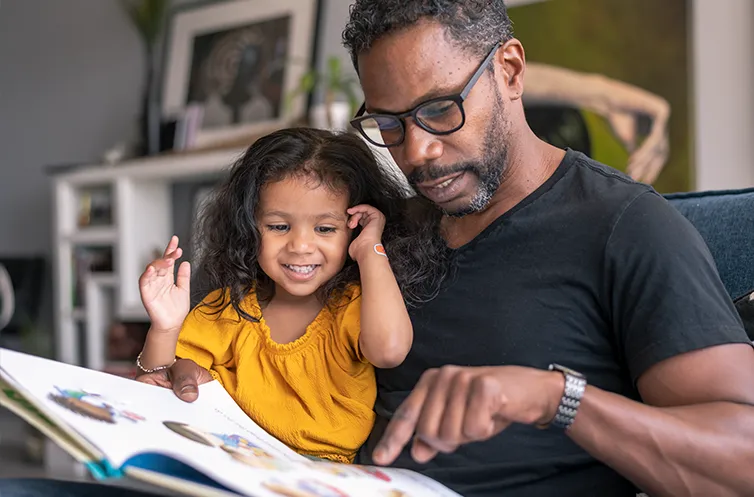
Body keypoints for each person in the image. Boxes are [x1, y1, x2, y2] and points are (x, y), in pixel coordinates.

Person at [2, 1, 754, 496]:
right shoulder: (382, 223)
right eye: (388, 123)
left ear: (512, 71)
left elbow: (741, 455)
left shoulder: (625, 227)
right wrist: (159, 371)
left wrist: (556, 397)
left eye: (440, 110)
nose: (419, 152)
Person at [135, 127, 447, 464]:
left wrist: (371, 249)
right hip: (230, 458)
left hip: (322, 473)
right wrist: (165, 328)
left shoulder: (353, 306)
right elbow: (156, 381)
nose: (300, 246)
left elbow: (389, 351)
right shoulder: (229, 307)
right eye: (279, 226)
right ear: (250, 227)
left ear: (353, 228)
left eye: (325, 229)